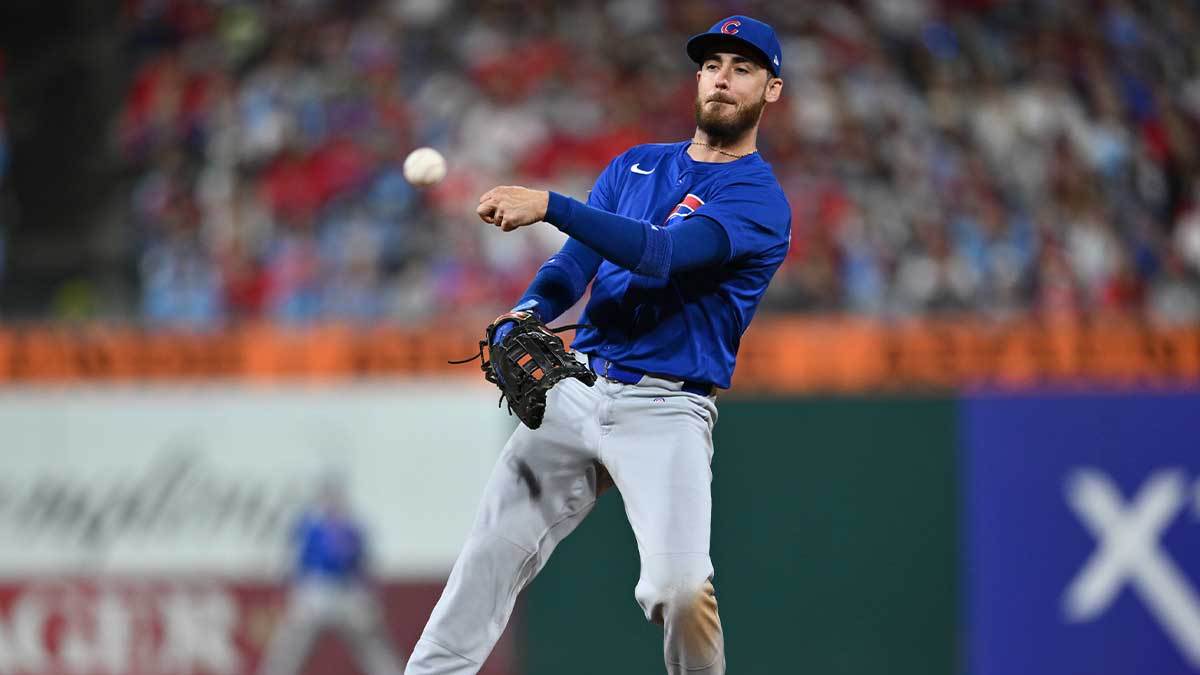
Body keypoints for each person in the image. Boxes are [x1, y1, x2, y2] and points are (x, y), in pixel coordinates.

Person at [406, 15, 789, 675]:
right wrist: (527, 309)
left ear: (771, 90)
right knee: (487, 556)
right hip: (578, 387)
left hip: (667, 407)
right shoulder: (635, 165)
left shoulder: (758, 198)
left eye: (743, 68)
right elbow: (574, 267)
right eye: (713, 64)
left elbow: (663, 254)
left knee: (678, 589)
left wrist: (551, 203)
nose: (723, 78)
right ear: (698, 77)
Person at [259, 474, 406, 675]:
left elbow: (364, 566)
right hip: (315, 590)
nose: (332, 502)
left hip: (347, 591)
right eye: (327, 497)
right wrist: (289, 592)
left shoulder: (352, 528)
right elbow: (296, 563)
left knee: (371, 642)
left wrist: (372, 596)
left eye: (335, 497)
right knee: (290, 644)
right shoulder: (310, 526)